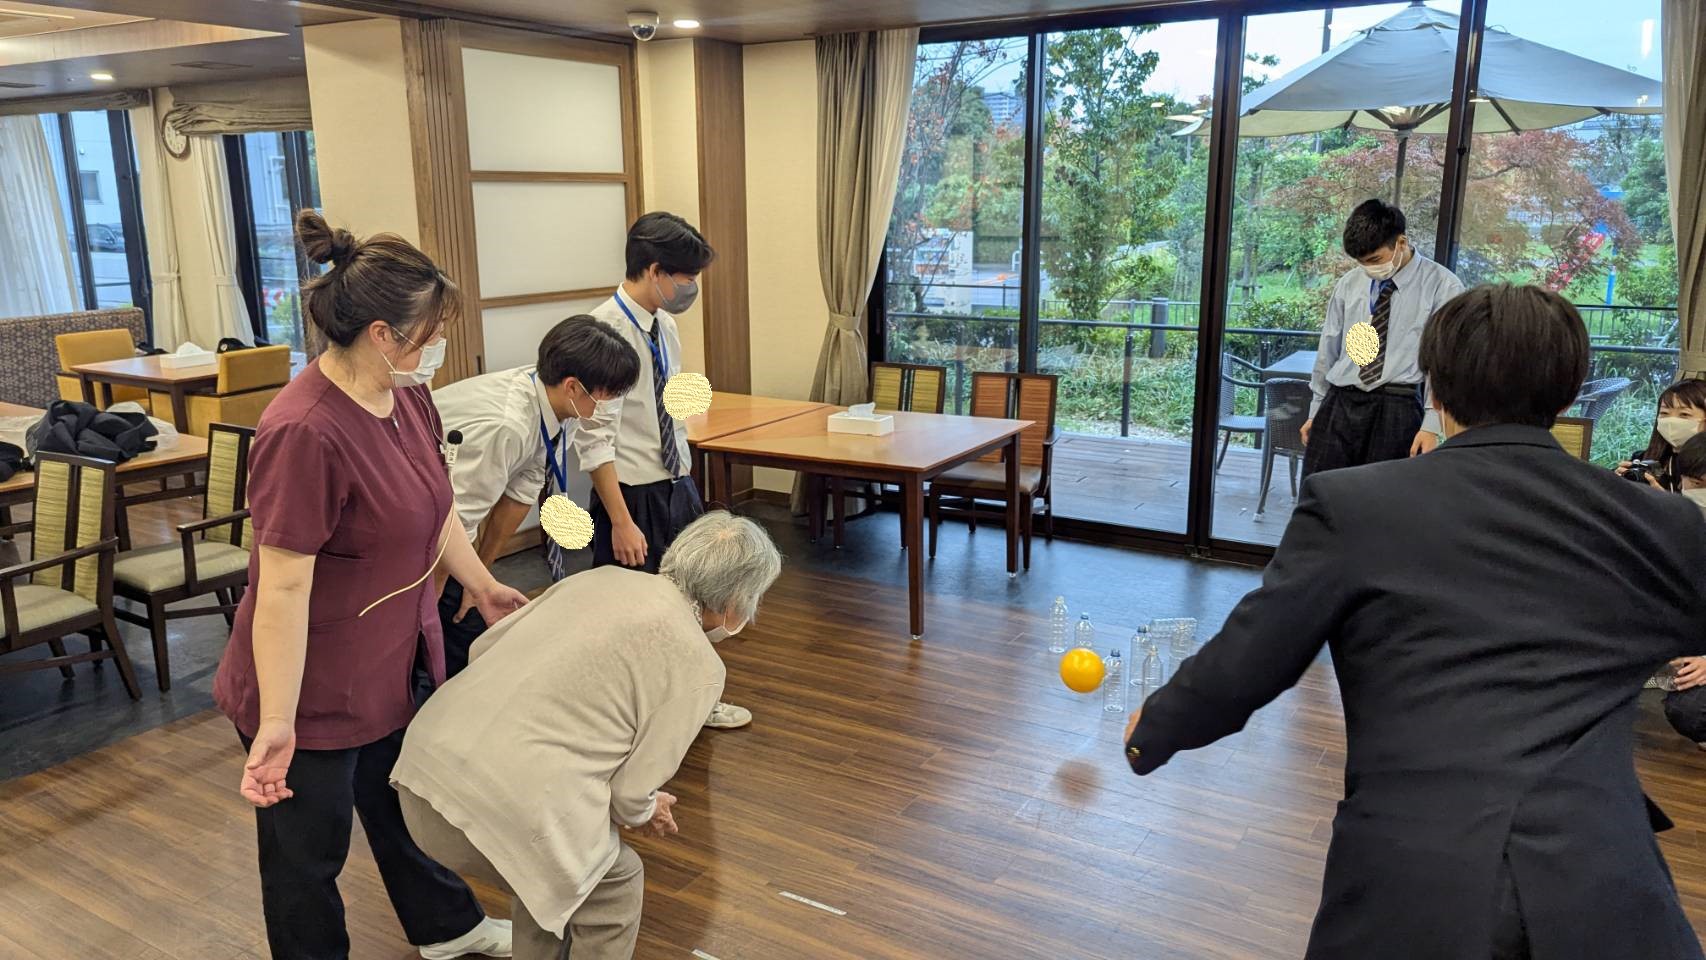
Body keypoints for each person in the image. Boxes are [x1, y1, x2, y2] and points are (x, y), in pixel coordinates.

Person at [1124, 284, 1706, 959]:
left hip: (1414, 881)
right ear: (1569, 392)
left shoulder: (1355, 506)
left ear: (1436, 385)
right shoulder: (1661, 522)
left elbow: (1251, 658)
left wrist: (1158, 727)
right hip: (1606, 881)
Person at [213, 211, 530, 960]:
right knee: (307, 858)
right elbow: (283, 588)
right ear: (383, 332)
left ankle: (447, 928)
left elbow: (436, 508)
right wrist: (280, 723)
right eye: (428, 332)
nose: (436, 347)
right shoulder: (304, 430)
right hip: (307, 681)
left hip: (386, 656)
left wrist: (482, 587)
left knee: (401, 805)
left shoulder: (406, 393)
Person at [390, 511, 782, 960]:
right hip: (498, 809)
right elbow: (631, 793)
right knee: (613, 882)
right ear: (736, 602)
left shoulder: (599, 578)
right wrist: (648, 808)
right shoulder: (700, 665)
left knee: (551, 877)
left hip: (419, 772)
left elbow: (483, 649)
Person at [579, 211, 749, 730]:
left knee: (695, 599)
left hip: (677, 483)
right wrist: (622, 520)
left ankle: (695, 699)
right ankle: (640, 716)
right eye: (686, 278)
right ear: (654, 271)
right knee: (637, 615)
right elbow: (594, 437)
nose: (690, 288)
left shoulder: (664, 325)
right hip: (631, 495)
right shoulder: (603, 332)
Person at [431, 316, 642, 675]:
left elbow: (520, 494)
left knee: (477, 618)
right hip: (420, 530)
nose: (610, 404)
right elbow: (450, 524)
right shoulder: (508, 425)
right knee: (457, 637)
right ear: (574, 386)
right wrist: (433, 611)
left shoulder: (561, 404)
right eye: (607, 394)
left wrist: (483, 573)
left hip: (447, 527)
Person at [1301, 198, 1465, 475]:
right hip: (1341, 402)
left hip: (1398, 406)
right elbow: (1328, 348)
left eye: (1375, 260)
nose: (1368, 268)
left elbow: (1444, 366)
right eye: (1361, 262)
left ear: (1401, 242)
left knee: (1383, 506)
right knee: (1319, 494)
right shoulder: (1350, 283)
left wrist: (1431, 426)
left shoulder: (1443, 287)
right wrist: (1315, 410)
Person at [1615, 378, 1706, 491]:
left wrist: (1663, 501)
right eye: (1664, 413)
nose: (1671, 421)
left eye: (1684, 414)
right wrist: (1615, 483)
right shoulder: (1643, 460)